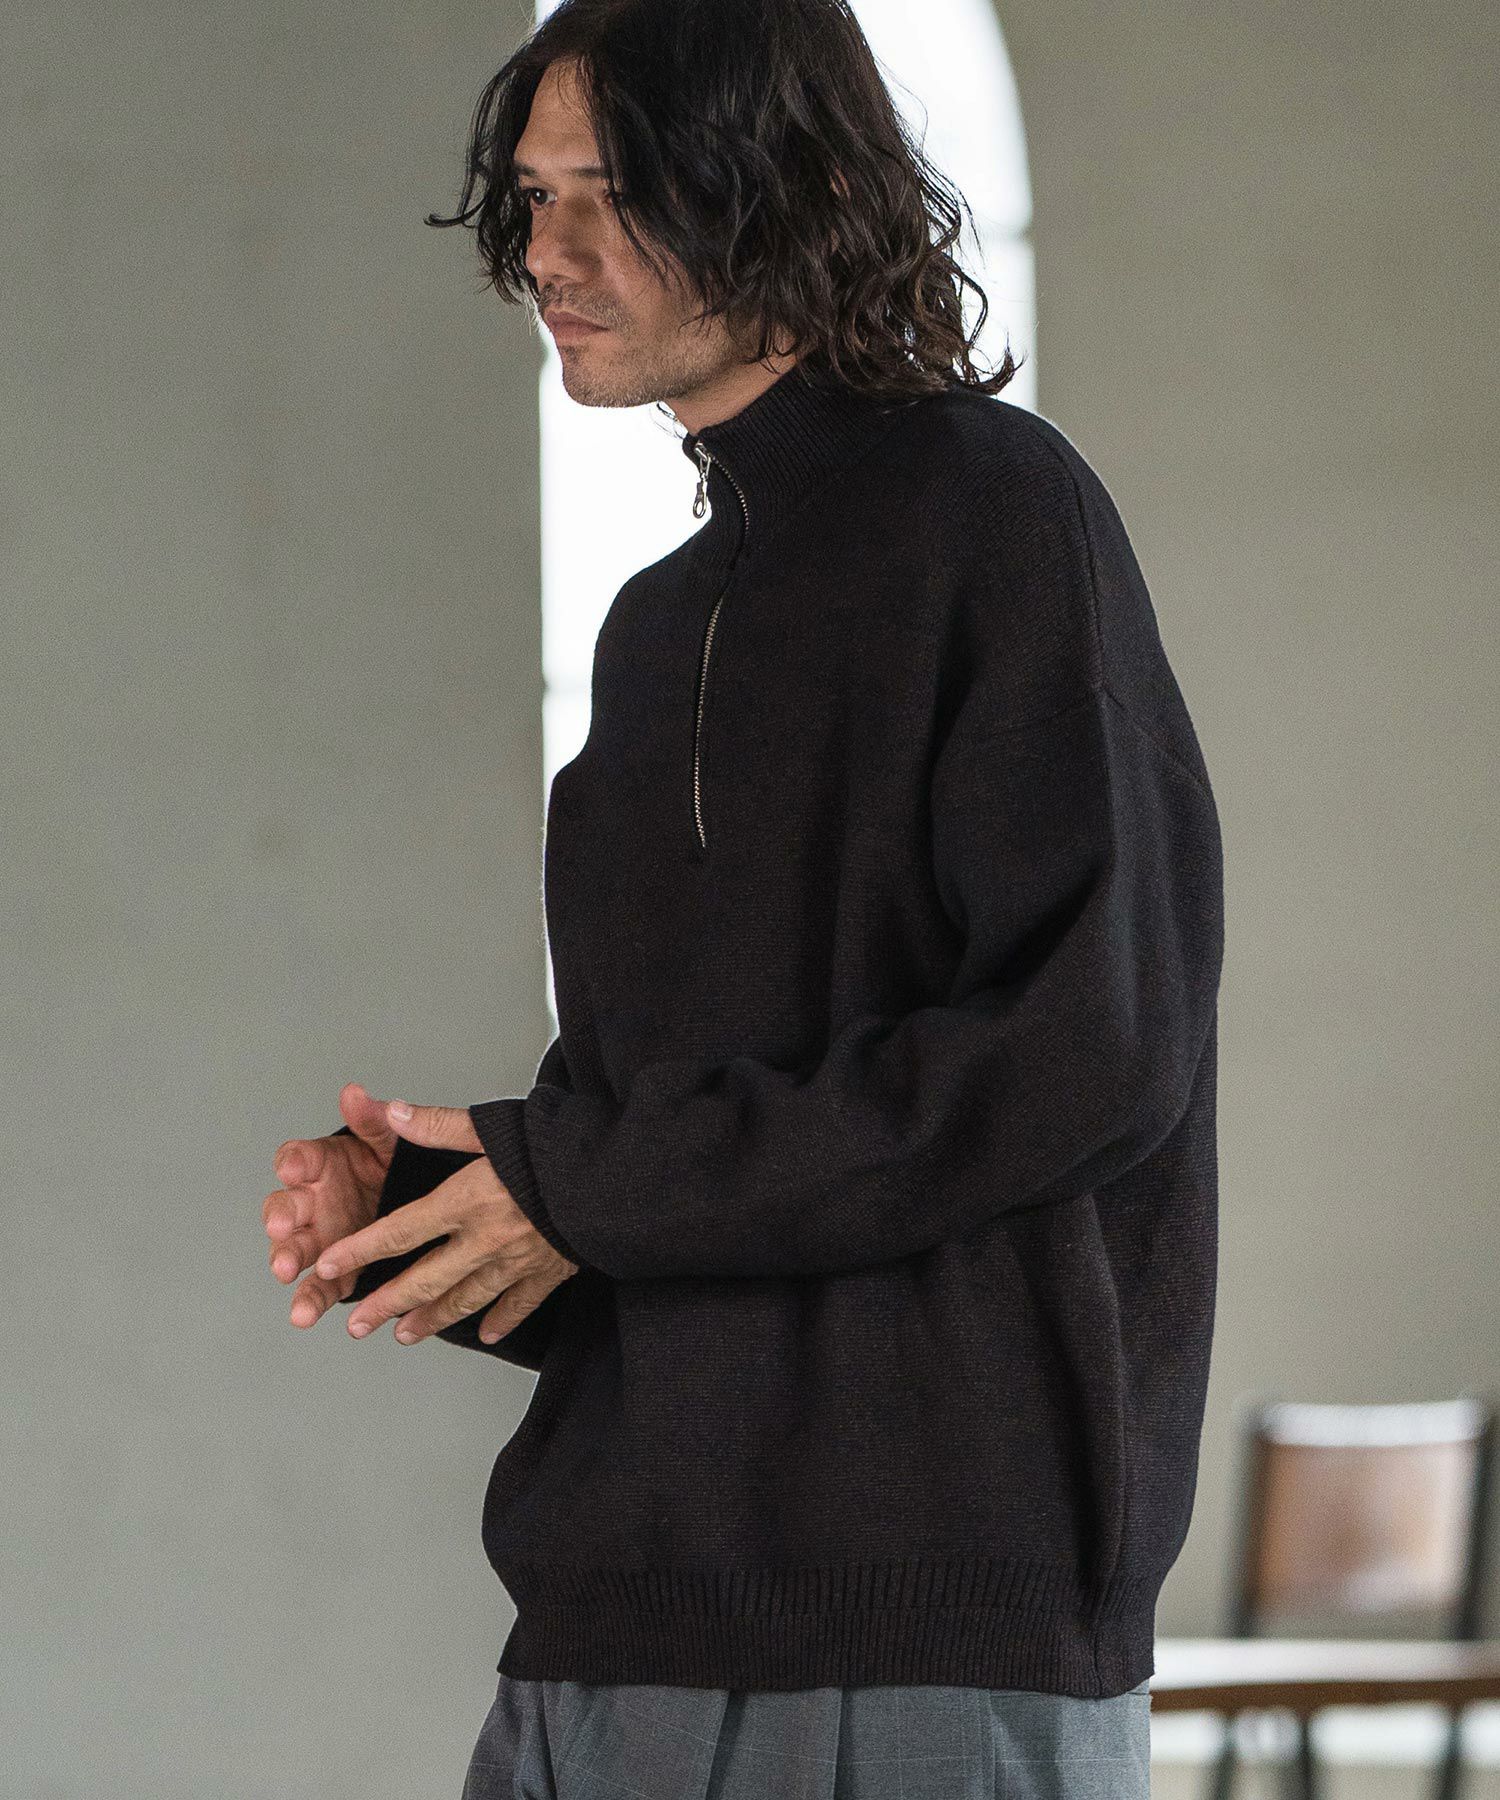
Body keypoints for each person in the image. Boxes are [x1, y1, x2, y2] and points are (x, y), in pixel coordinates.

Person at [262, 1, 1224, 1793]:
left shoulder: (996, 515)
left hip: (919, 1645)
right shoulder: (661, 628)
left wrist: (585, 1185)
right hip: (604, 1637)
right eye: (532, 197)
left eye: (612, 193)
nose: (548, 254)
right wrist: (466, 1214)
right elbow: (693, 1154)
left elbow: (1087, 1048)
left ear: (788, 189)